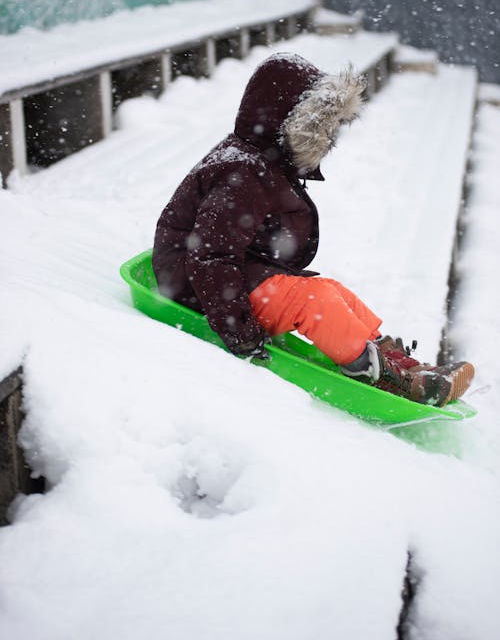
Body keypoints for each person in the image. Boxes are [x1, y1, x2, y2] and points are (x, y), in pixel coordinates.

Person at [153, 53, 474, 406]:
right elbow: (211, 255)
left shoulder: (259, 161)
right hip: (198, 286)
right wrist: (238, 329)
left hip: (229, 272)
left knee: (328, 289)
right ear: (286, 122)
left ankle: (400, 364)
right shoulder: (241, 175)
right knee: (313, 302)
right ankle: (380, 376)